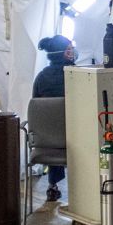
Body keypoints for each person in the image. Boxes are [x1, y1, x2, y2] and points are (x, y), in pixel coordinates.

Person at [33, 34, 75, 202]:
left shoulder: (41, 78)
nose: (73, 52)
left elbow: (36, 108)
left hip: (47, 140)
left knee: (54, 128)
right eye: (69, 50)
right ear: (62, 54)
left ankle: (52, 185)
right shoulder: (76, 76)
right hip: (74, 136)